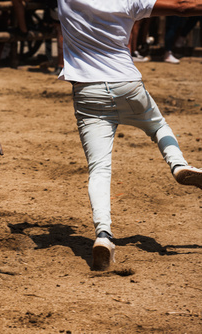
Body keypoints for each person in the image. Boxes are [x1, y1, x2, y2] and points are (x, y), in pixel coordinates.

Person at [57, 0, 202, 271]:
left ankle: (103, 237)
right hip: (127, 85)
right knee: (158, 127)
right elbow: (183, 7)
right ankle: (179, 164)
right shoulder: (129, 0)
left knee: (99, 169)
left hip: (87, 93)